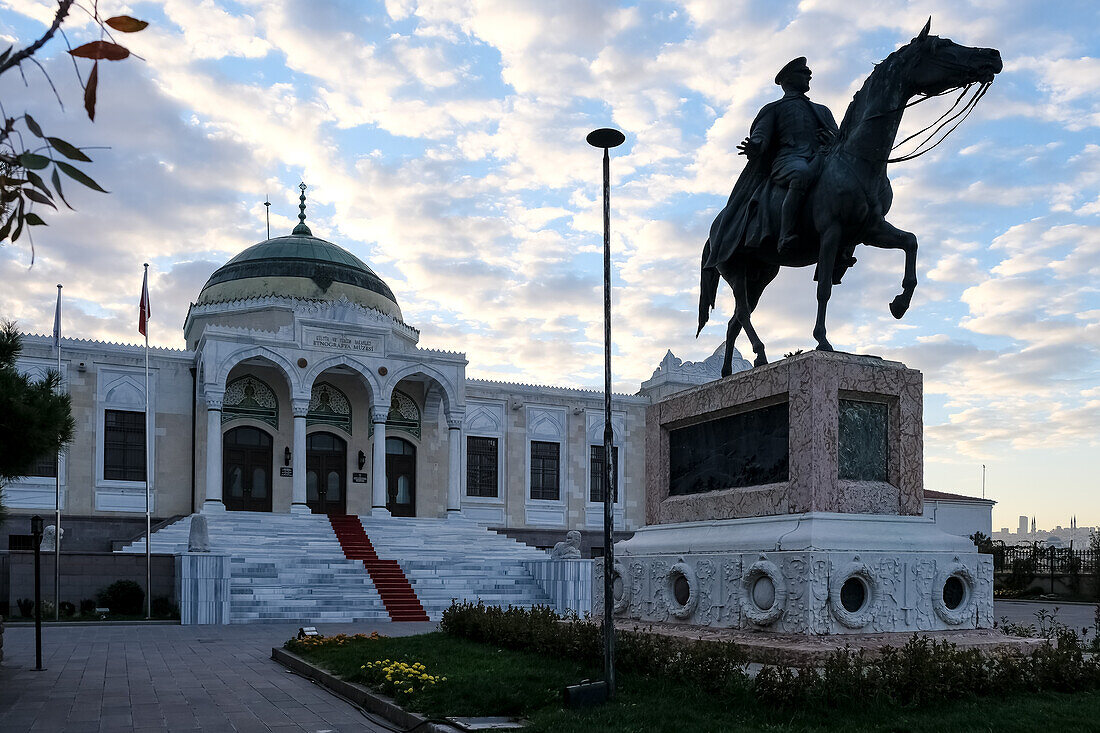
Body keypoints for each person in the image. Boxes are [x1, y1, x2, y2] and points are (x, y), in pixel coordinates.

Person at [704, 57, 839, 270]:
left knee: (846, 186)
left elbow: (839, 137)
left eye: (808, 73)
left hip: (821, 159)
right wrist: (755, 146)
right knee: (800, 174)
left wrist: (833, 140)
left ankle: (843, 248)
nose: (809, 75)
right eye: (803, 73)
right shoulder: (774, 108)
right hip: (789, 161)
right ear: (788, 79)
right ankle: (785, 234)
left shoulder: (822, 110)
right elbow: (761, 136)